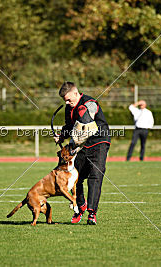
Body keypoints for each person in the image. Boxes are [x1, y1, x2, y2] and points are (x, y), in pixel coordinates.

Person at [54, 81, 110, 225]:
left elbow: (88, 115)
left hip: (99, 142)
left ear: (75, 93)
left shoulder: (90, 102)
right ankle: (80, 206)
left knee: (96, 175)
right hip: (82, 146)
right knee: (74, 177)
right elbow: (69, 126)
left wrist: (83, 117)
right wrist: (61, 136)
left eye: (68, 99)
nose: (67, 103)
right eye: (64, 100)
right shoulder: (69, 107)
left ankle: (92, 213)